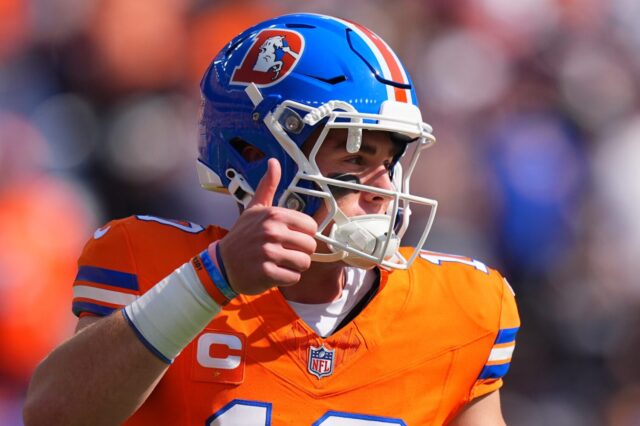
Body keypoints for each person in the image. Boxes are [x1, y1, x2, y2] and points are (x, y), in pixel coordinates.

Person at [23, 13, 519, 425]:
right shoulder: (150, 265)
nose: (383, 189)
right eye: (354, 161)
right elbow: (53, 415)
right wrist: (211, 282)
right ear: (253, 154)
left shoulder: (462, 307)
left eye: (388, 163)